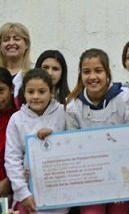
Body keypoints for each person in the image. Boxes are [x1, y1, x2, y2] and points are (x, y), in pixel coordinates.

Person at [66, 48, 129, 214]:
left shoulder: (123, 99)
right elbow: (71, 148)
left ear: (107, 73)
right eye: (86, 72)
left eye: (98, 71)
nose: (92, 77)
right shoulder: (73, 107)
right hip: (90, 180)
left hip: (122, 177)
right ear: (80, 75)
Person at [5, 68, 67, 214]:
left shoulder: (63, 112)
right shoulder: (17, 119)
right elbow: (12, 158)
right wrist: (23, 193)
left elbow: (72, 147)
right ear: (23, 93)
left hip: (60, 193)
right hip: (28, 195)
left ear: (51, 91)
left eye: (42, 91)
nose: (36, 96)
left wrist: (53, 138)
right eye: (30, 92)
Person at [0, 23, 31, 109]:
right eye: (6, 40)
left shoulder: (33, 72)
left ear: (26, 45)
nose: (11, 43)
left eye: (17, 39)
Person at [0, 68, 16, 201]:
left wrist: (8, 180)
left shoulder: (19, 117)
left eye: (1, 91)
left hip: (12, 187)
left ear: (12, 89)